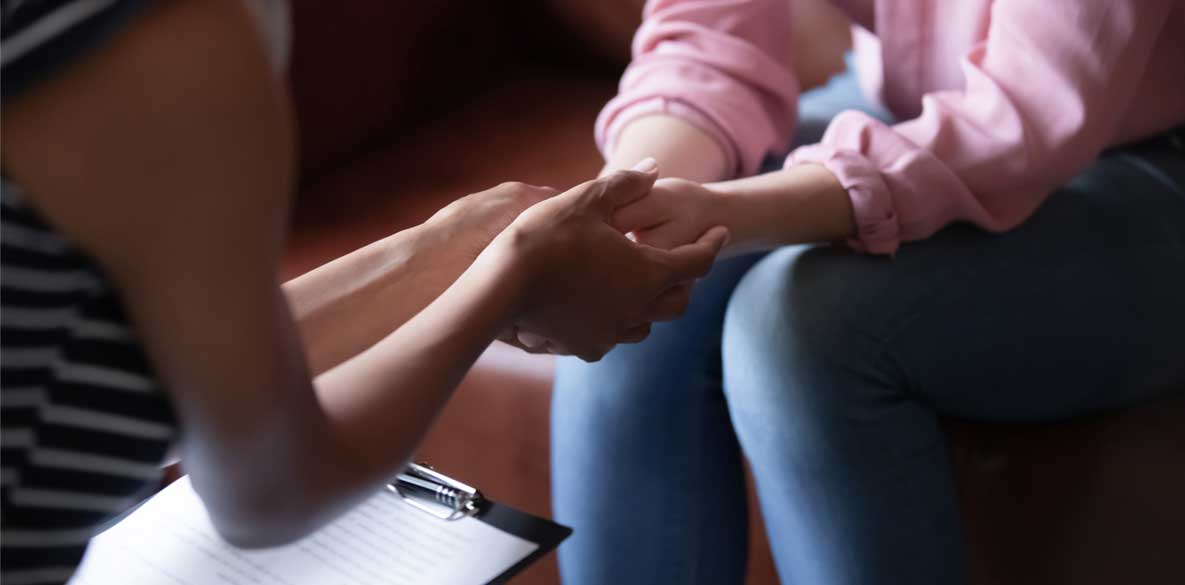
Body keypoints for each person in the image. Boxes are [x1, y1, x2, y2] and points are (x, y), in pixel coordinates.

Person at [0, 1, 730, 583]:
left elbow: (143, 371)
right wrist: (509, 276)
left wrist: (440, 248)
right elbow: (269, 493)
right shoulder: (171, 41)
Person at [551, 0, 1185, 583]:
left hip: (1146, 153)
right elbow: (705, 42)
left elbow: (1028, 113)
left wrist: (729, 214)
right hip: (911, 102)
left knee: (800, 330)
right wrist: (622, 217)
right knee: (632, 309)